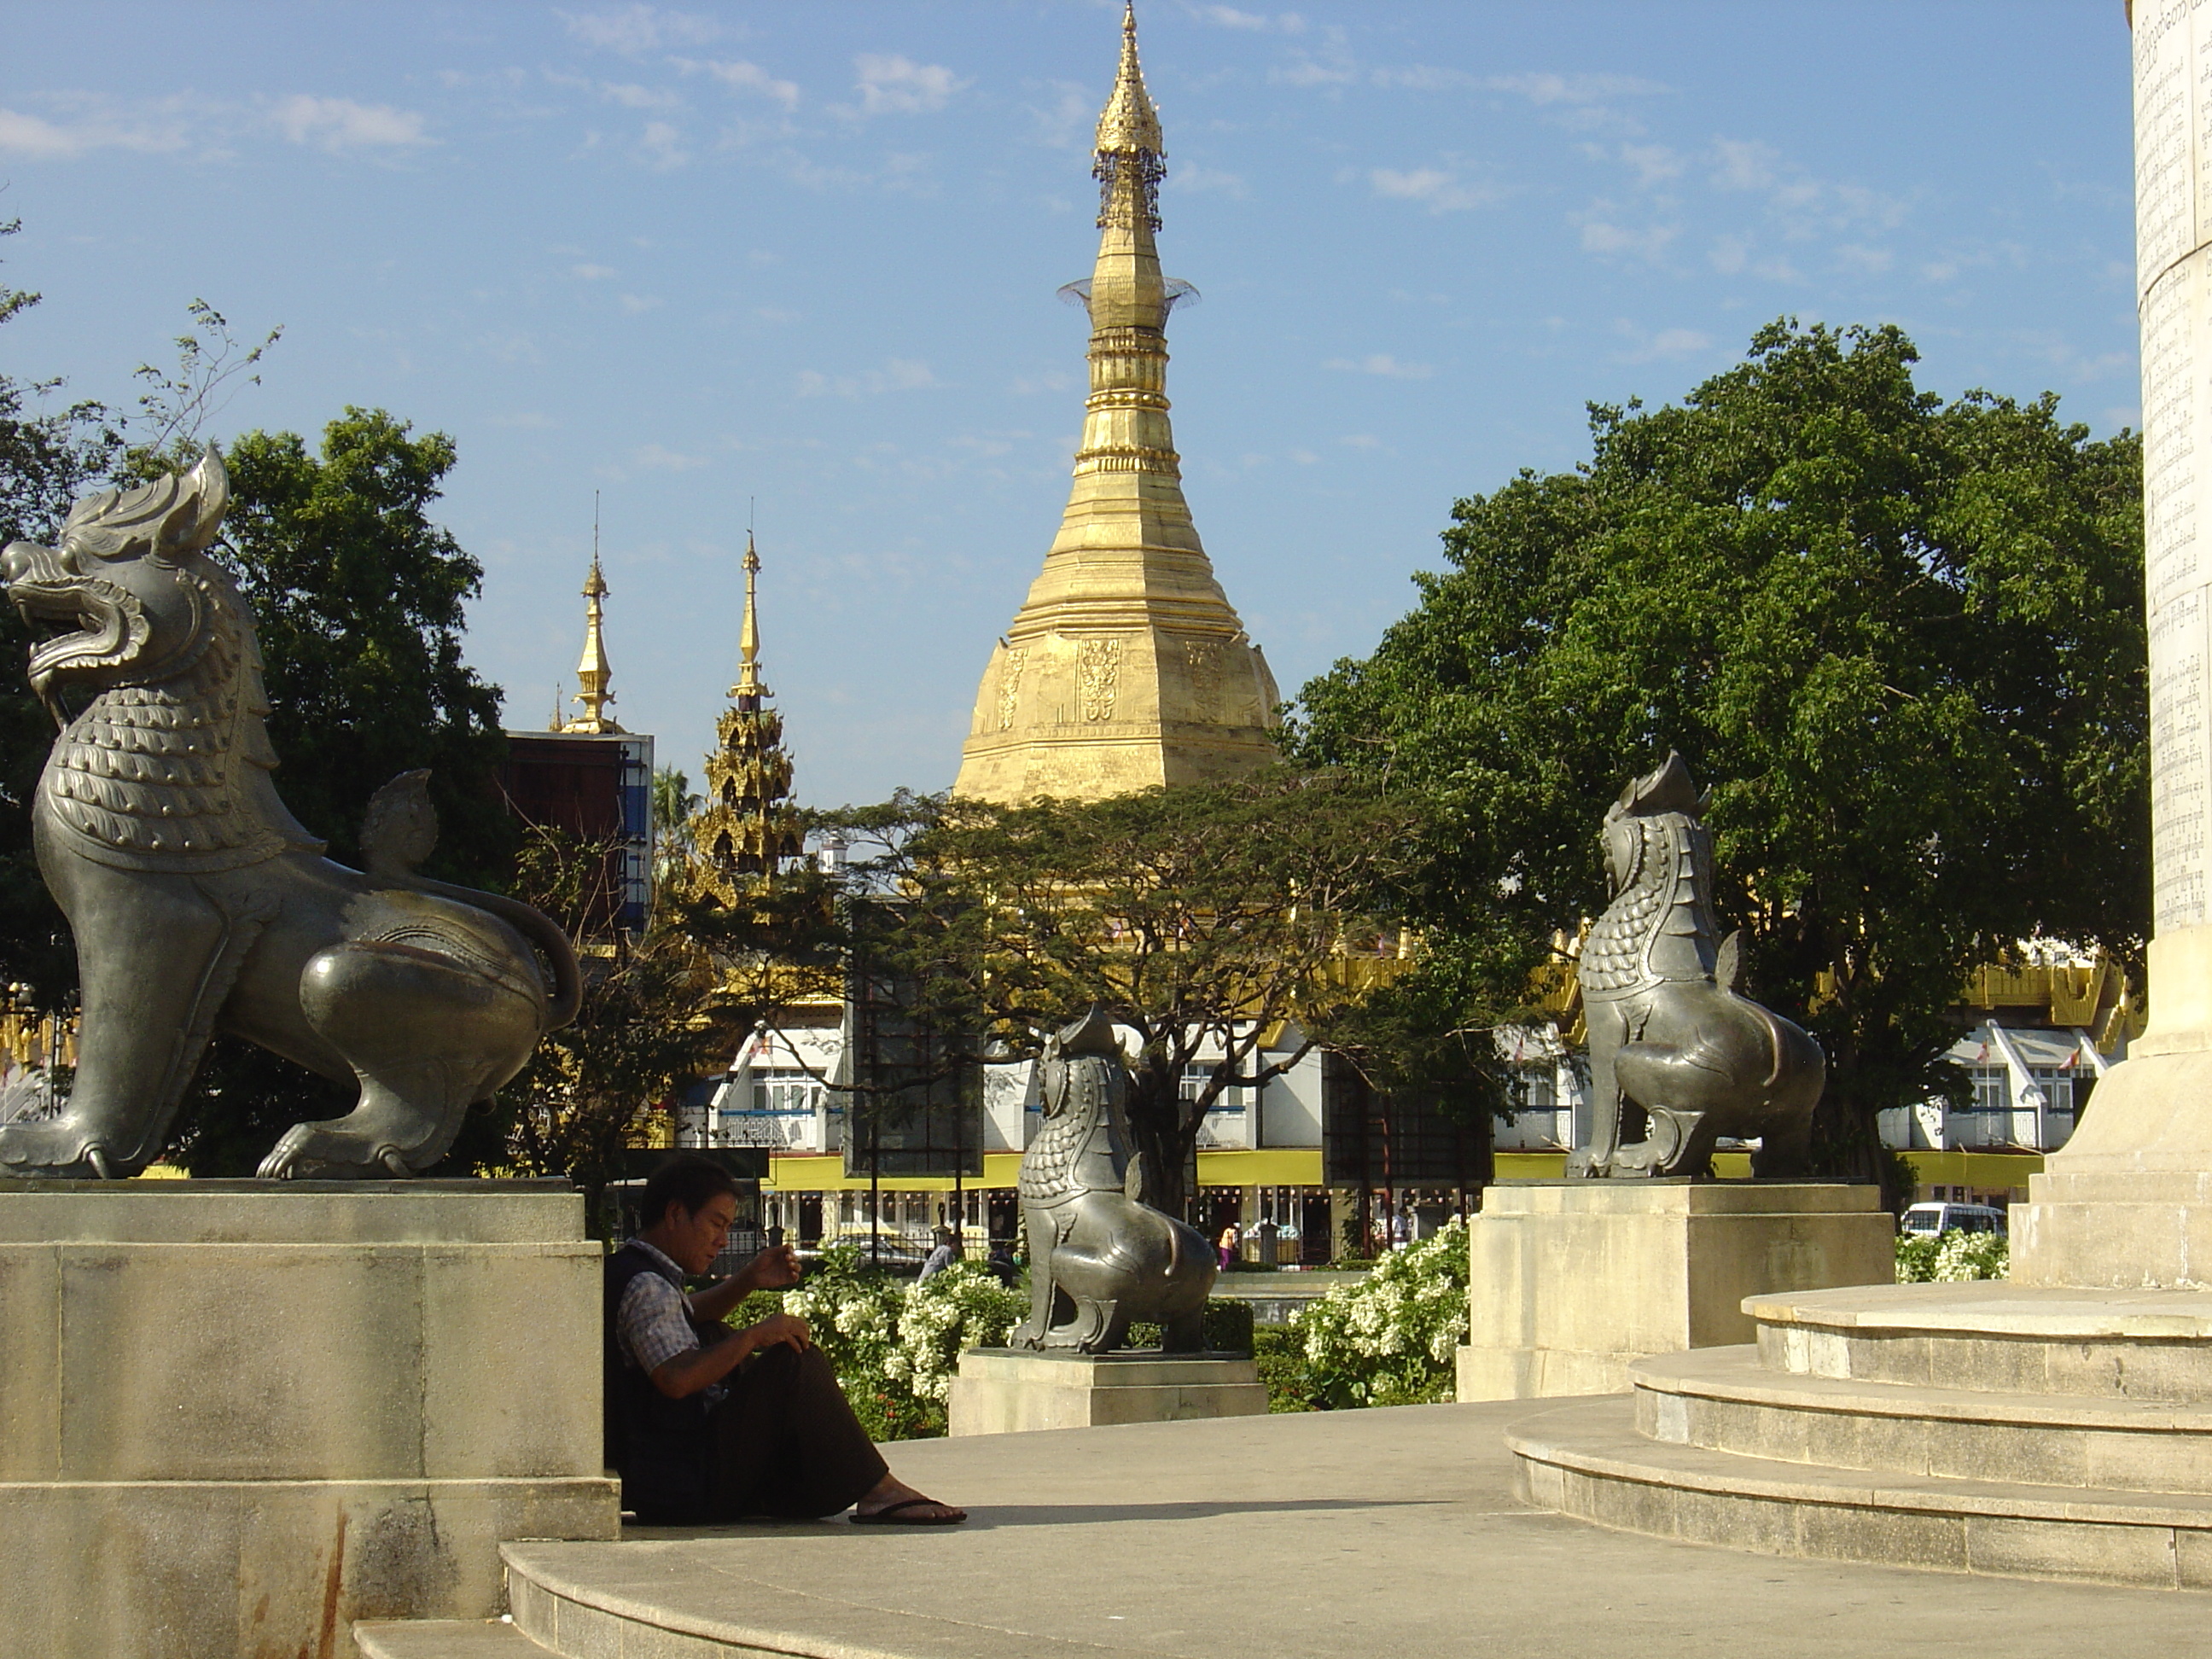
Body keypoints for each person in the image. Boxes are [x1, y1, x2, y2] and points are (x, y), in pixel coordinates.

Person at [605, 1153, 965, 1527]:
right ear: (676, 1214)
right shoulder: (647, 1285)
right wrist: (754, 1336)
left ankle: (847, 1482)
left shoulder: (632, 1272)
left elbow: (684, 1317)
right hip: (685, 1483)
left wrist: (746, 1281)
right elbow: (675, 1378)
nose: (723, 1241)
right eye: (716, 1224)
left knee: (714, 1331)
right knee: (794, 1363)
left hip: (673, 1478)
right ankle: (880, 1492)